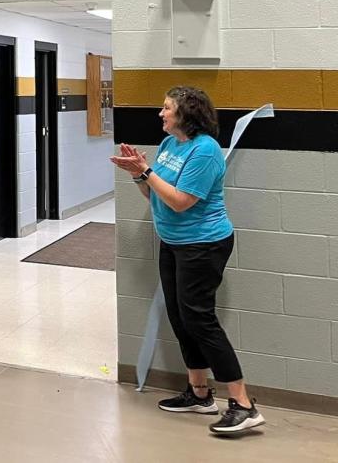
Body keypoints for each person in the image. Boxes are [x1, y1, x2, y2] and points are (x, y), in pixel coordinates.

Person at [111, 86, 265, 436]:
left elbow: (181, 201)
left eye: (166, 108)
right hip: (174, 242)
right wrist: (138, 173)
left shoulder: (205, 151)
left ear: (186, 113)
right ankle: (199, 394)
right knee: (182, 319)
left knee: (201, 320)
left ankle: (243, 404)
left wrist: (147, 171)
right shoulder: (170, 145)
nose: (161, 114)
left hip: (204, 246)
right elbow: (154, 195)